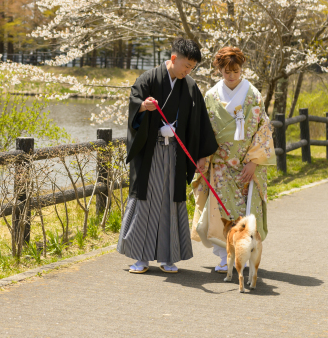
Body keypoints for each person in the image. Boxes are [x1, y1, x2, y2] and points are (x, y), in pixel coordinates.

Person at [117, 38, 219, 273]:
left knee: (171, 202)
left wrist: (202, 154)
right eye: (186, 65)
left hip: (175, 153)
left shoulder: (190, 86)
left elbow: (200, 121)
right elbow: (134, 103)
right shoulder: (149, 79)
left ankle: (168, 256)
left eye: (192, 67)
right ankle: (140, 258)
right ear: (174, 59)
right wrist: (143, 106)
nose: (188, 71)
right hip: (150, 152)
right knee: (146, 200)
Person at [191, 46, 276, 272]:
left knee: (243, 212)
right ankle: (224, 257)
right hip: (219, 165)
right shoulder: (211, 96)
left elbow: (263, 129)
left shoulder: (253, 95)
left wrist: (254, 162)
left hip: (246, 166)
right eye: (226, 72)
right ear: (219, 70)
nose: (231, 76)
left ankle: (242, 253)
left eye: (236, 71)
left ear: (241, 69)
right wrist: (203, 157)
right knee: (220, 213)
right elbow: (204, 130)